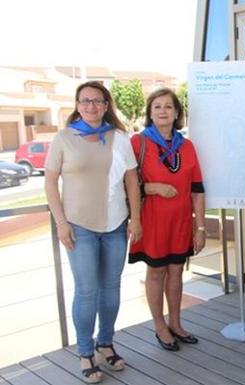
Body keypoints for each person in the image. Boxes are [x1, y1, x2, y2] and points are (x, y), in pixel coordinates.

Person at [45, 81, 142, 383]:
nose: (91, 106)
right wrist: (61, 222)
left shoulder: (120, 138)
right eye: (85, 101)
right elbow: (49, 183)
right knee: (87, 292)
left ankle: (106, 343)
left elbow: (131, 183)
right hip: (78, 227)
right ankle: (86, 351)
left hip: (115, 226)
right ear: (77, 105)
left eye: (97, 101)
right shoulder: (63, 138)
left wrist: (135, 219)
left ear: (105, 105)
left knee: (111, 291)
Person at [128, 88, 205, 352]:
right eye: (157, 106)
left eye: (168, 106)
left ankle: (176, 323)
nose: (163, 111)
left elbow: (197, 189)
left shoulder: (187, 146)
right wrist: (152, 188)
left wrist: (201, 226)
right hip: (152, 221)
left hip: (181, 222)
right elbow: (123, 184)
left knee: (176, 272)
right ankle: (160, 326)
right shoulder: (138, 143)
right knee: (156, 272)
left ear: (176, 113)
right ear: (150, 113)